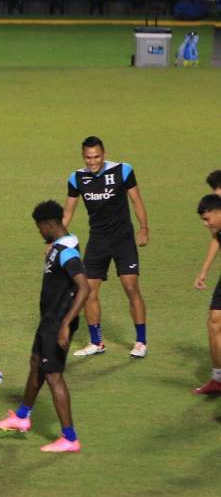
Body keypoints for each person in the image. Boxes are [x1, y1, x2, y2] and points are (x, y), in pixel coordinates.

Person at [0, 201, 90, 453]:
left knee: (54, 376)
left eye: (40, 227)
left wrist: (66, 324)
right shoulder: (58, 247)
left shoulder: (68, 251)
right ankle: (22, 417)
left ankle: (69, 438)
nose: (39, 232)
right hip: (49, 320)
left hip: (58, 322)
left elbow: (84, 287)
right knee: (37, 362)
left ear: (49, 224)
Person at [62, 136, 150, 358]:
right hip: (98, 241)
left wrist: (144, 227)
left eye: (97, 156)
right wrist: (56, 240)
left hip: (123, 240)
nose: (93, 162)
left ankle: (141, 341)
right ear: (83, 156)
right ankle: (97, 342)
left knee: (131, 288)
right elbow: (68, 212)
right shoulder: (77, 178)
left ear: (104, 154)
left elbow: (136, 200)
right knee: (88, 291)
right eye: (88, 157)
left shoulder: (123, 170)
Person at [193, 193, 221, 394]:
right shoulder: (218, 228)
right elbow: (216, 240)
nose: (205, 224)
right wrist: (204, 270)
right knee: (214, 322)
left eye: (206, 219)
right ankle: (217, 379)